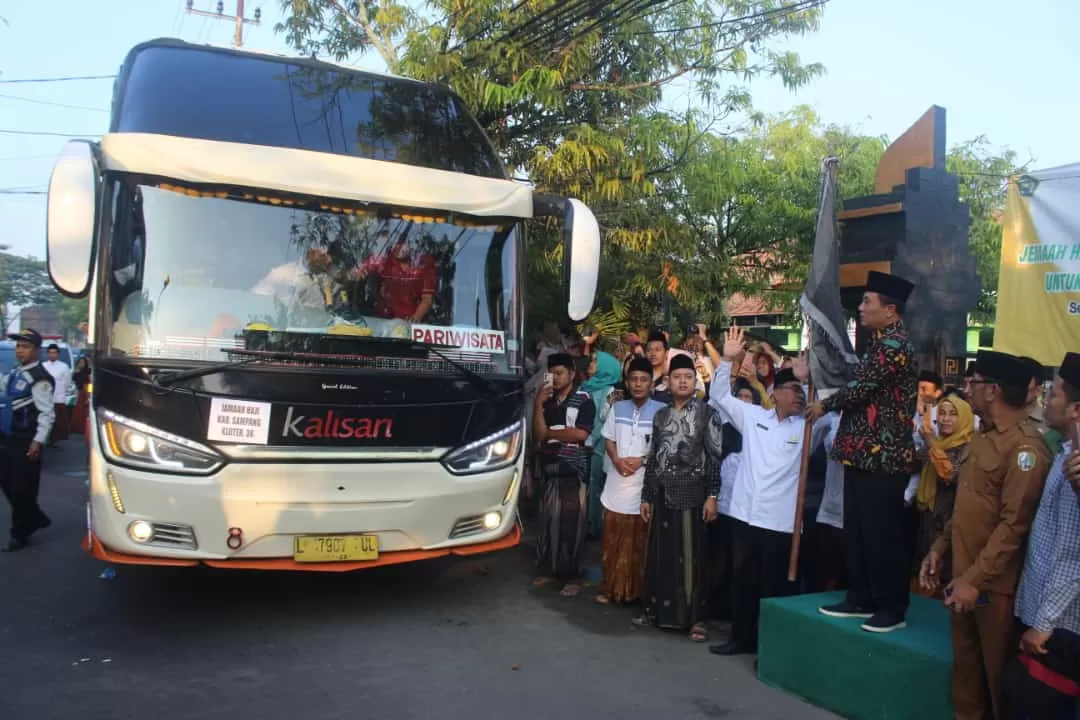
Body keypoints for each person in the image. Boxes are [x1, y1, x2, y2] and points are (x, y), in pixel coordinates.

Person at [918, 350, 1053, 720]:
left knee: (997, 682)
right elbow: (966, 507)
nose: (966, 390)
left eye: (973, 384)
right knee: (966, 677)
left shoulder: (1025, 448)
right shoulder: (982, 438)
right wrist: (939, 548)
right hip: (963, 577)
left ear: (992, 390)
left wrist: (974, 580)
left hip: (993, 588)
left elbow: (1014, 526)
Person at [808, 270, 919, 633]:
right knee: (856, 530)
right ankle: (861, 597)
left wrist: (825, 405)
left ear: (890, 310)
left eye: (867, 302)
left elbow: (862, 387)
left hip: (883, 458)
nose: (861, 307)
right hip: (862, 454)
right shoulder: (879, 344)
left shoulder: (895, 347)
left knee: (881, 533)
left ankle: (891, 605)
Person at [707, 326, 829, 655]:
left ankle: (771, 646)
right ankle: (740, 639)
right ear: (774, 393)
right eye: (792, 389)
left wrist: (806, 379)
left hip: (780, 523)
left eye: (801, 390)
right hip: (745, 517)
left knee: (774, 588)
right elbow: (718, 397)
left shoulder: (807, 428)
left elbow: (827, 413)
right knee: (742, 582)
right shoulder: (752, 417)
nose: (799, 395)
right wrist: (726, 361)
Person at [1008, 352, 1080, 719]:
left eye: (1055, 393)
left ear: (1075, 410)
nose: (1046, 398)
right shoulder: (1066, 452)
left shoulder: (1076, 468)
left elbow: (1072, 554)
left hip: (1061, 629)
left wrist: (1044, 623)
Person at [634, 353, 723, 642]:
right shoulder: (660, 415)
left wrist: (712, 495)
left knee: (693, 558)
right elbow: (653, 457)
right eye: (677, 377)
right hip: (662, 494)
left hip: (693, 494)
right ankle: (660, 613)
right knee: (663, 555)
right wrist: (646, 496)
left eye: (687, 377)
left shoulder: (708, 414)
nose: (682, 381)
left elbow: (714, 458)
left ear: (695, 381)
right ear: (668, 381)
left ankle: (697, 619)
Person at [595, 356, 665, 605]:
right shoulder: (618, 408)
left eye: (643, 380)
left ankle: (634, 592)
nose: (638, 384)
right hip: (616, 482)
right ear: (627, 382)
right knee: (613, 539)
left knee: (637, 542)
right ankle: (611, 589)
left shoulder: (660, 412)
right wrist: (615, 459)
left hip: (642, 486)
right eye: (633, 379)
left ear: (651, 383)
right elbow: (609, 438)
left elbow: (662, 447)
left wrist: (642, 460)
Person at [533, 352, 596, 597]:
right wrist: (538, 404)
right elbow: (537, 435)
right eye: (552, 374)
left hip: (573, 468)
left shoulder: (584, 399)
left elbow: (580, 435)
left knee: (572, 524)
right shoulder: (546, 402)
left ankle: (572, 577)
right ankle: (550, 571)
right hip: (549, 468)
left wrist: (550, 434)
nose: (555, 378)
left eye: (560, 373)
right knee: (549, 521)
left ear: (571, 374)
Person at [911, 395, 976, 597]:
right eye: (942, 413)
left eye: (953, 414)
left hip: (951, 526)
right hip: (927, 521)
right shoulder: (936, 442)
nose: (946, 419)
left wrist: (932, 444)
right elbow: (913, 462)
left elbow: (950, 474)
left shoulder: (969, 448)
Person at [0, 329, 55, 551]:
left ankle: (20, 533)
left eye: (25, 346)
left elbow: (47, 413)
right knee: (8, 484)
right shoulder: (15, 372)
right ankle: (35, 518)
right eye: (18, 346)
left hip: (25, 439)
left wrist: (37, 441)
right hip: (7, 437)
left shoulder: (40, 378)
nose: (20, 350)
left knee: (23, 488)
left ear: (36, 350)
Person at [581, 351, 622, 538]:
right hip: (584, 444)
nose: (591, 364)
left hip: (599, 447)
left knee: (596, 484)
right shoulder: (586, 388)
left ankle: (595, 526)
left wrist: (592, 439)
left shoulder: (612, 392)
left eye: (596, 362)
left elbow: (609, 421)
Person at [41, 343, 72, 445]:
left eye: (54, 353)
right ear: (47, 354)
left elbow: (67, 382)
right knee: (45, 419)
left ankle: (53, 440)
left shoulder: (64, 366)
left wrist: (63, 393)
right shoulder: (43, 366)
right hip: (45, 398)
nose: (52, 355)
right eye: (50, 353)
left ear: (58, 354)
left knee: (58, 421)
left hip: (59, 397)